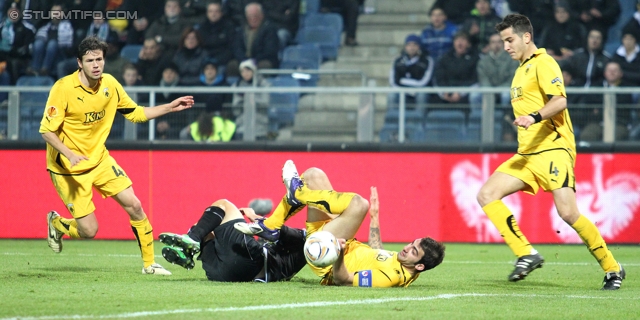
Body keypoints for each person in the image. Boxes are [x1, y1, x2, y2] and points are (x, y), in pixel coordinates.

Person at [476, 14, 625, 290]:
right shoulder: (520, 69)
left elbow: (560, 101)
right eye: (503, 41)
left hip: (554, 148)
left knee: (568, 213)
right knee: (486, 194)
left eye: (509, 40)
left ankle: (613, 268)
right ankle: (526, 253)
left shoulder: (543, 63)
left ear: (526, 37)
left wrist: (533, 117)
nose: (506, 46)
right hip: (527, 153)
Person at [39, 36, 194, 275]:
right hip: (68, 170)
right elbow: (47, 131)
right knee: (90, 231)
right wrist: (69, 154)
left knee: (135, 205)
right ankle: (58, 223)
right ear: (79, 62)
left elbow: (135, 113)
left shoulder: (110, 84)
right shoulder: (63, 88)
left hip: (100, 161)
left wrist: (170, 107)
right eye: (90, 60)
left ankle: (149, 265)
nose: (96, 65)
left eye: (99, 59)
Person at [235, 160, 446, 287]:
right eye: (412, 243)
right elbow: (377, 252)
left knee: (359, 204)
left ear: (419, 266)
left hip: (328, 256)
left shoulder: (391, 277)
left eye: (413, 251)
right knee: (313, 175)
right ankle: (274, 222)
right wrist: (375, 218)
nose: (407, 247)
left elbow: (343, 279)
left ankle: (295, 195)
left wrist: (338, 252)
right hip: (336, 237)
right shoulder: (401, 264)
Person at [159, 199, 307, 282]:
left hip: (248, 264)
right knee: (204, 228)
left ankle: (190, 241)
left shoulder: (304, 238)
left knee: (223, 205)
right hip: (223, 273)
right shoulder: (304, 253)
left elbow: (275, 231)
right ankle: (189, 249)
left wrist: (254, 216)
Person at [578, 61, 634, 142]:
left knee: (614, 138)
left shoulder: (626, 87)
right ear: (605, 73)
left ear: (621, 74)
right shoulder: (597, 86)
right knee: (587, 135)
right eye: (609, 70)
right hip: (598, 122)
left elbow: (624, 102)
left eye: (615, 70)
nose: (612, 72)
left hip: (619, 123)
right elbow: (590, 100)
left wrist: (599, 108)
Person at [228, 2, 279, 77]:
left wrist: (253, 61)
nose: (253, 19)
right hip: (244, 60)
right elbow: (237, 47)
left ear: (261, 15)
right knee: (232, 65)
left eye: (255, 16)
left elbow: (269, 51)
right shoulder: (241, 30)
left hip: (261, 60)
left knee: (264, 66)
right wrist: (244, 60)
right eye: (250, 16)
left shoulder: (269, 29)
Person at [388, 34, 434, 115]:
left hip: (418, 90)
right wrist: (404, 89)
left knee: (422, 95)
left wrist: (404, 82)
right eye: (409, 45)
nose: (411, 47)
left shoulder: (427, 61)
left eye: (414, 45)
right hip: (401, 91)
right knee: (392, 95)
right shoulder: (397, 61)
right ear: (405, 47)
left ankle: (418, 123)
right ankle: (392, 123)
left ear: (419, 46)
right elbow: (393, 81)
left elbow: (424, 81)